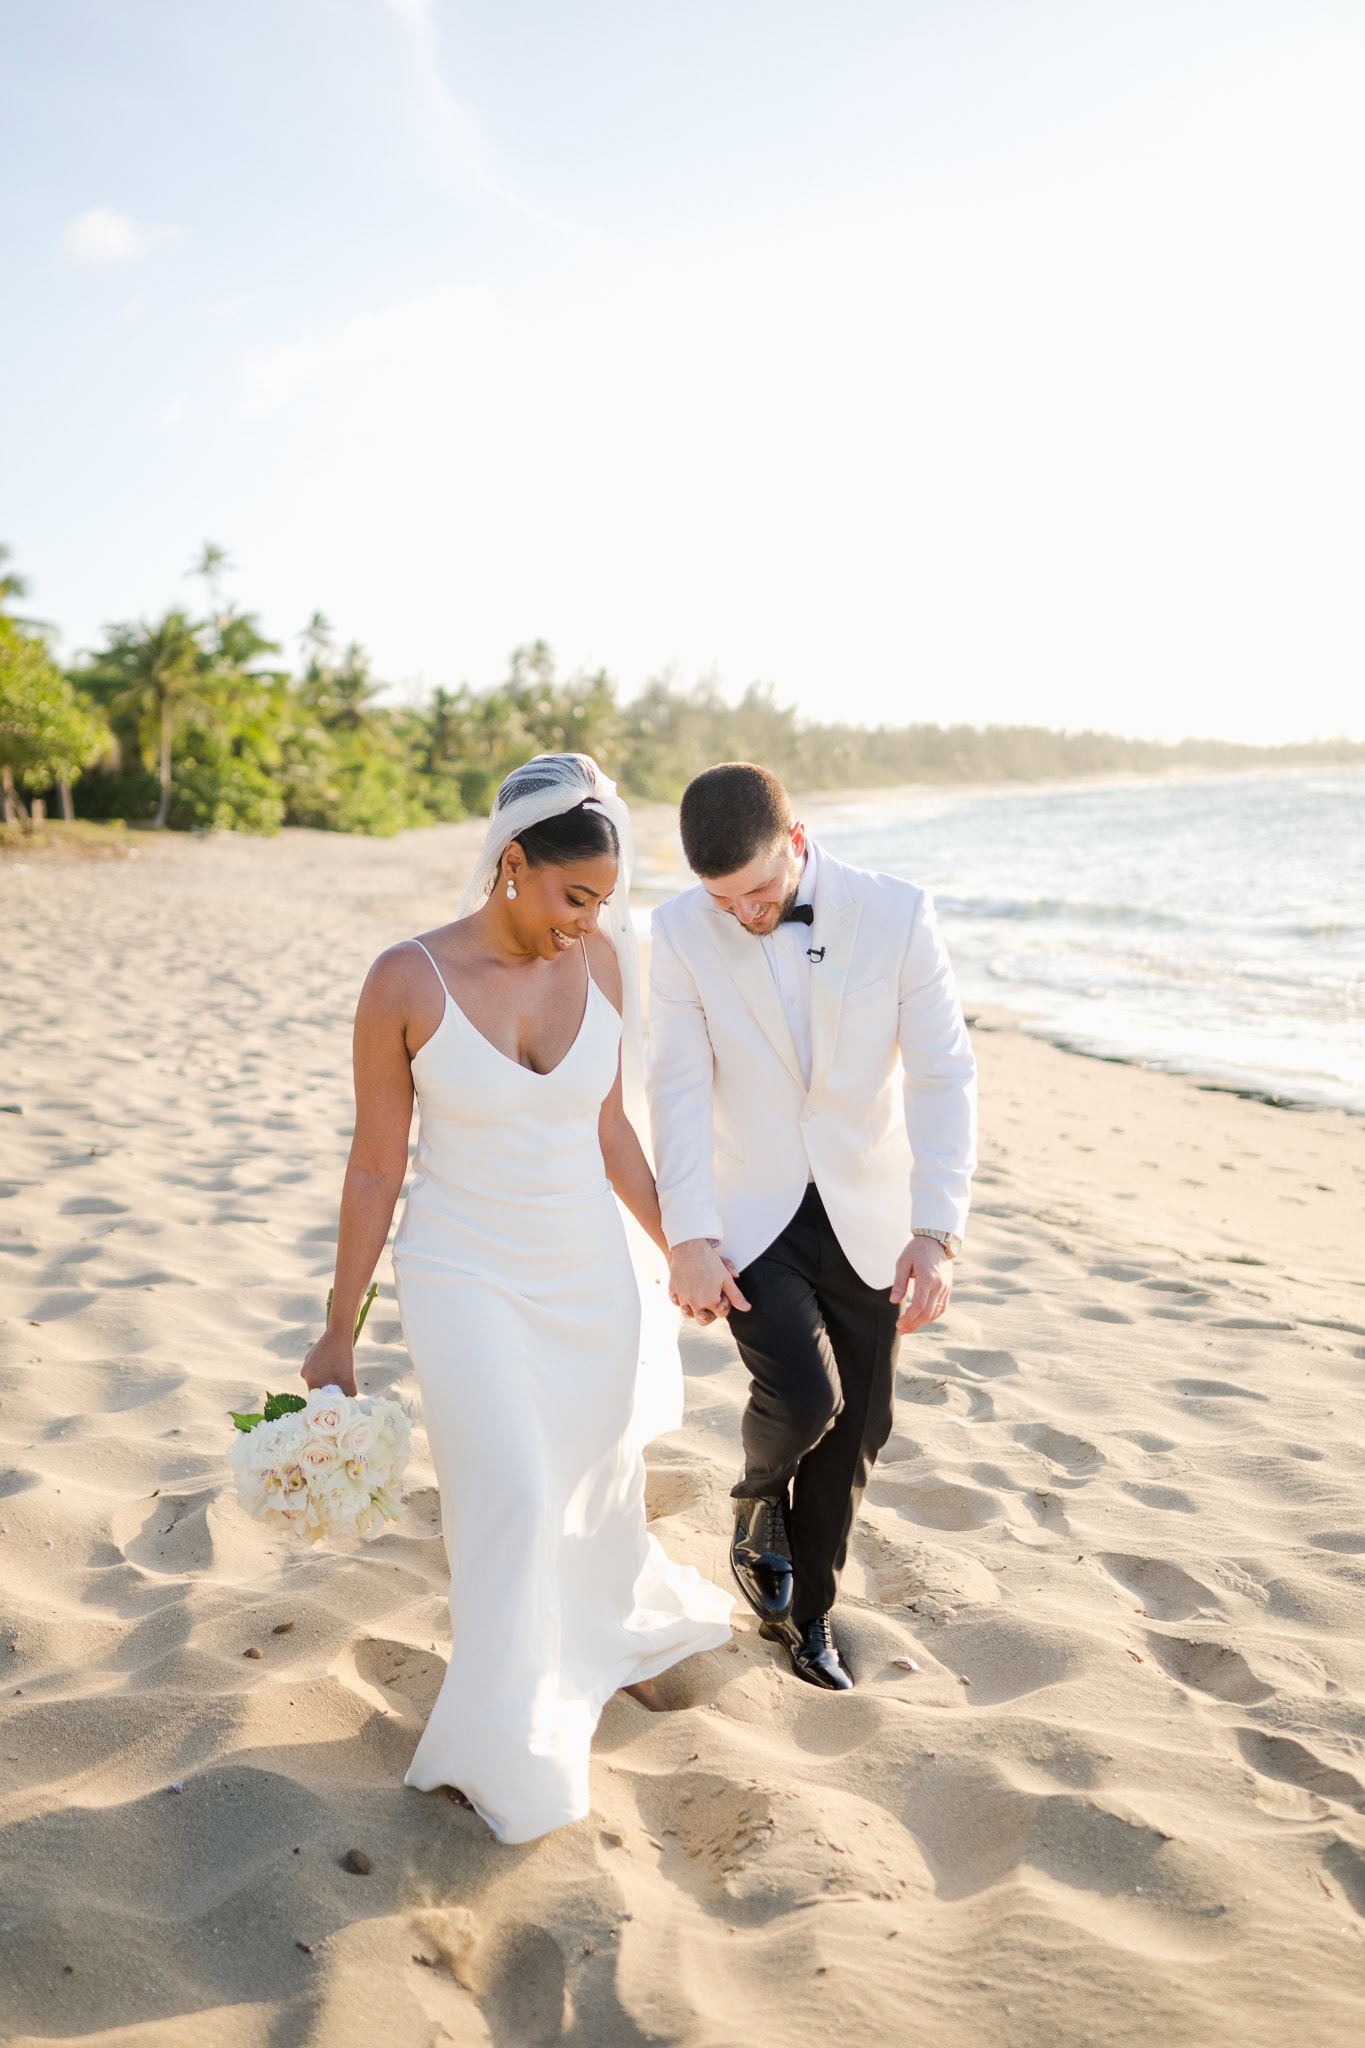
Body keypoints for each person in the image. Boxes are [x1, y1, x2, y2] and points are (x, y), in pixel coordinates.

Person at [302, 753, 732, 1845]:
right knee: (514, 1496)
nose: (586, 922)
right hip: (462, 1273)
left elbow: (610, 1129)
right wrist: (338, 1329)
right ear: (511, 863)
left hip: (586, 1274)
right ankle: (501, 1743)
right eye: (572, 896)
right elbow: (374, 1168)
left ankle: (595, 1641)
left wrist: (682, 1249)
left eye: (603, 902)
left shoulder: (605, 966)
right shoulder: (406, 980)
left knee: (594, 1483)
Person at [647, 761, 976, 1690]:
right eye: (722, 899)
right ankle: (756, 1498)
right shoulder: (677, 931)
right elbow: (675, 1087)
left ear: (796, 843)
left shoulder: (898, 913)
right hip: (750, 1211)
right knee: (802, 1397)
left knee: (860, 1425)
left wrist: (935, 1230)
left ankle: (807, 1616)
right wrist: (687, 1236)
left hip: (872, 1206)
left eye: (757, 893)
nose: (743, 914)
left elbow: (943, 1074)